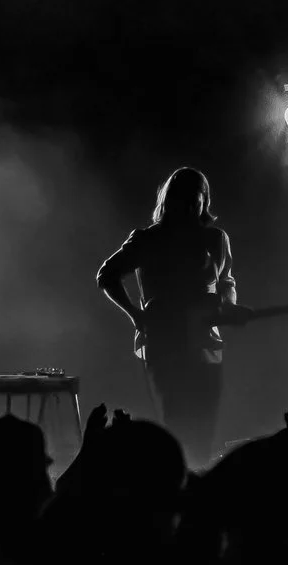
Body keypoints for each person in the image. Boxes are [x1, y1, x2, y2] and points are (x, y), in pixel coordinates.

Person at [98, 168, 237, 465]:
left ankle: (195, 481)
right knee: (176, 418)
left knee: (206, 420)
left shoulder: (215, 239)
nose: (187, 207)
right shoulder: (149, 240)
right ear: (168, 201)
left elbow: (226, 281)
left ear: (204, 202)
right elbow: (107, 275)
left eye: (195, 200)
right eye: (180, 200)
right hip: (164, 345)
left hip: (206, 345)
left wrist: (228, 306)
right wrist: (136, 314)